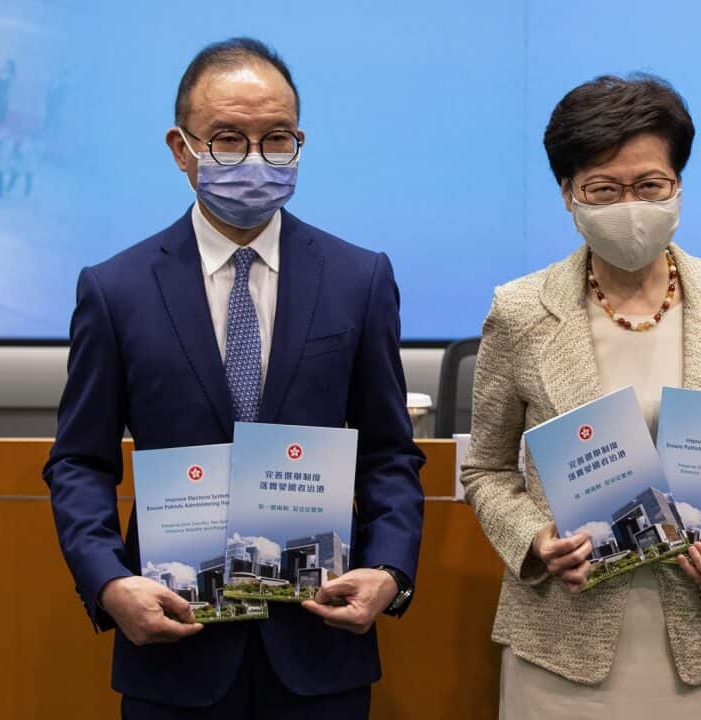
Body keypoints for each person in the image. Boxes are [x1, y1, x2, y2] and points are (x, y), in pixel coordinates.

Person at [43, 37, 425, 719]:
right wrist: (107, 583)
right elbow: (79, 461)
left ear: (299, 143)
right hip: (174, 645)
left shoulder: (359, 279)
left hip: (319, 645)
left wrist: (390, 571)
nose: (255, 159)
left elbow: (389, 453)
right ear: (181, 148)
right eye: (227, 140)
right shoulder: (116, 289)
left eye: (277, 139)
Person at [461, 74, 701, 717]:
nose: (630, 206)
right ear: (568, 193)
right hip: (562, 643)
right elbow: (485, 469)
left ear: (678, 185)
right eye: (604, 189)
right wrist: (536, 539)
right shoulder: (520, 311)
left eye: (650, 185)